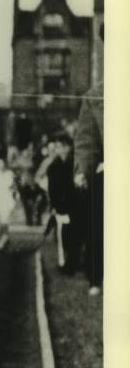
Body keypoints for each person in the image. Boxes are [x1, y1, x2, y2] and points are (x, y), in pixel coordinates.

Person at [74, 25, 104, 295]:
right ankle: (97, 279)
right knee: (99, 225)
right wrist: (82, 170)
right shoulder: (95, 97)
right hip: (109, 172)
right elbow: (86, 141)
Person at [45, 132, 82, 272]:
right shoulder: (53, 167)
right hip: (61, 206)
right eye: (58, 147)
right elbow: (52, 190)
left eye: (62, 146)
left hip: (76, 205)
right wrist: (54, 206)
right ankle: (64, 263)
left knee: (75, 235)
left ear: (68, 147)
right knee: (62, 236)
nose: (59, 149)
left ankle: (73, 261)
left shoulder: (75, 165)